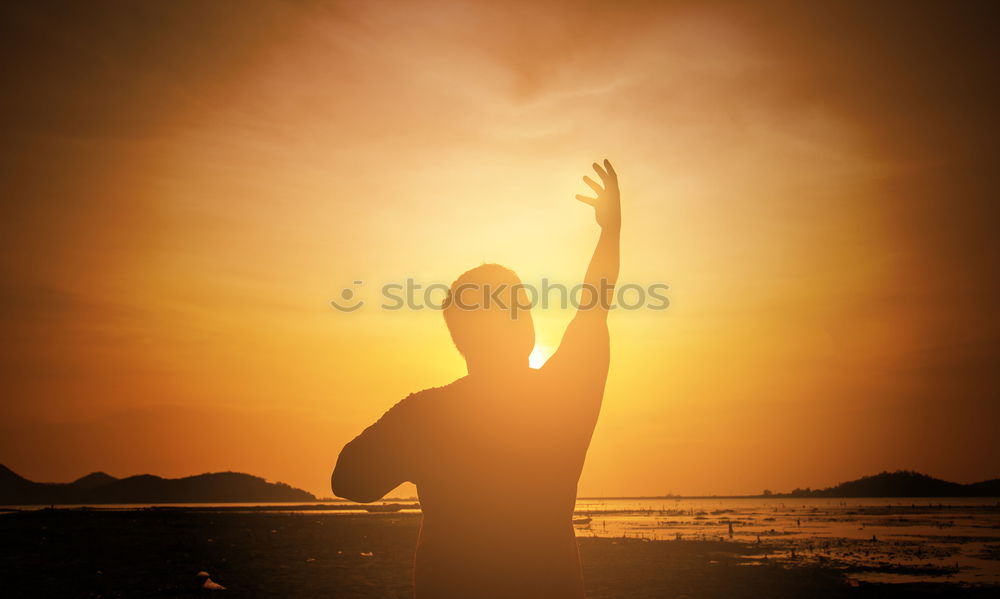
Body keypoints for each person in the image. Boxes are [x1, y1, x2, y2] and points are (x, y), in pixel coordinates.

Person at [332, 159, 621, 598]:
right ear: (525, 324)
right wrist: (610, 232)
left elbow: (349, 481)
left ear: (459, 338)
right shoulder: (563, 397)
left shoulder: (426, 414)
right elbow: (594, 305)